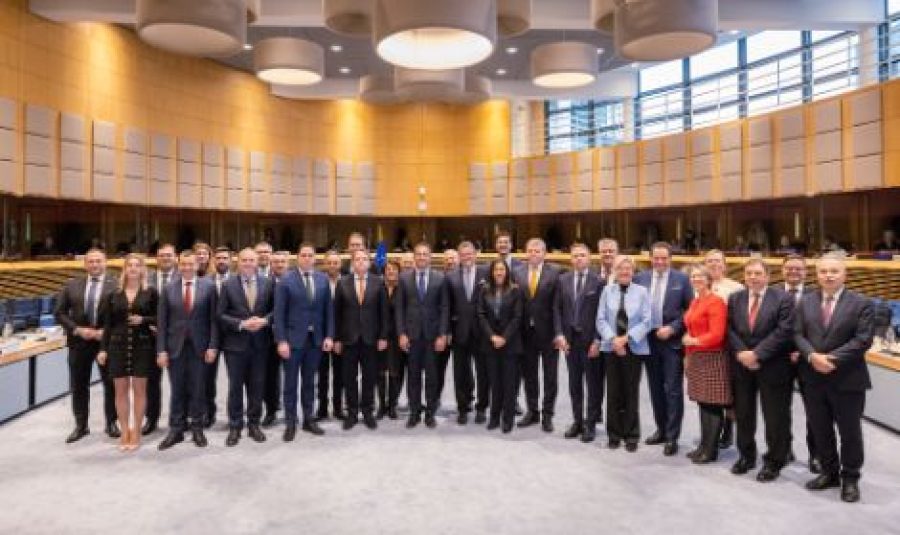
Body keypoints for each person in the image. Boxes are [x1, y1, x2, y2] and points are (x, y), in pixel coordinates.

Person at [794, 253, 873, 503]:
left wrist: (829, 359)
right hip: (813, 378)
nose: (828, 275)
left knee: (849, 432)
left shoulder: (861, 303)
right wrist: (811, 356)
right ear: (816, 274)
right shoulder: (805, 302)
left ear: (844, 274)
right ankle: (829, 473)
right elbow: (796, 334)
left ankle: (850, 478)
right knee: (820, 429)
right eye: (823, 271)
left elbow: (862, 340)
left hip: (847, 379)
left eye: (833, 271)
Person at [727, 259, 795, 481]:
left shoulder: (784, 298)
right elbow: (729, 329)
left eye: (757, 273)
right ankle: (746, 456)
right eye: (749, 273)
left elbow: (784, 331)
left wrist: (757, 354)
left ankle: (774, 461)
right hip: (742, 366)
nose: (753, 277)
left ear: (767, 275)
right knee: (744, 414)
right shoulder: (735, 298)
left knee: (775, 417)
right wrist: (743, 354)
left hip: (773, 366)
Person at [634, 242, 693, 456]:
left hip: (671, 342)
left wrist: (674, 327)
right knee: (655, 388)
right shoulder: (640, 278)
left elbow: (690, 310)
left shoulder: (682, 280)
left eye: (664, 258)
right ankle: (661, 429)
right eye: (656, 258)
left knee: (673, 390)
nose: (660, 262)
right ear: (650, 258)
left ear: (670, 259)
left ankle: (672, 436)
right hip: (648, 341)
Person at [157, 250, 219, 450]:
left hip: (200, 347)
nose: (187, 267)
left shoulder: (209, 287)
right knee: (177, 389)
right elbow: (162, 321)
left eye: (190, 264)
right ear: (178, 264)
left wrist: (212, 345)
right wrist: (161, 350)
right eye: (183, 264)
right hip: (175, 347)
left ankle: (197, 428)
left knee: (198, 388)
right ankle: (176, 429)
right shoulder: (168, 289)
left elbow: (213, 321)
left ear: (197, 265)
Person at [55, 248, 119, 443]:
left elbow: (122, 315)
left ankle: (111, 423)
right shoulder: (71, 285)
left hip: (105, 344)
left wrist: (106, 332)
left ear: (105, 263)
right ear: (85, 264)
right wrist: (77, 330)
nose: (94, 265)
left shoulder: (116, 285)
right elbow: (59, 312)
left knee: (111, 385)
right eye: (91, 261)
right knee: (78, 385)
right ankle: (81, 426)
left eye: (98, 261)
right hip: (78, 343)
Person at [96, 254, 157, 451]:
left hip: (143, 346)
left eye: (137, 265)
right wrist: (103, 349)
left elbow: (160, 317)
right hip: (117, 346)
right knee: (120, 391)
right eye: (129, 265)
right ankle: (124, 431)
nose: (132, 268)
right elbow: (107, 325)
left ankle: (137, 431)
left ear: (142, 270)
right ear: (124, 269)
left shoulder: (151, 293)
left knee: (139, 390)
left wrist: (144, 320)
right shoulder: (113, 295)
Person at [274, 243, 334, 441]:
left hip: (315, 341)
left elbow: (328, 312)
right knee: (290, 383)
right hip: (292, 341)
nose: (307, 258)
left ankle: (309, 418)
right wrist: (281, 340)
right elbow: (279, 314)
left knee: (310, 382)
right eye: (304, 255)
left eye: (311, 255)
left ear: (315, 258)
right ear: (297, 257)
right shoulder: (286, 280)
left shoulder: (323, 279)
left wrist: (329, 336)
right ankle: (291, 422)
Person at [217, 248, 275, 447]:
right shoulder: (227, 285)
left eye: (252, 260)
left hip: (260, 345)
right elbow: (221, 315)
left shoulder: (268, 283)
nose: (248, 263)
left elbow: (276, 311)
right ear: (238, 262)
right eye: (244, 260)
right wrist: (241, 324)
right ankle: (235, 426)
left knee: (257, 386)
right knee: (235, 388)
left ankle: (253, 424)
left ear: (257, 262)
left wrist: (265, 321)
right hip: (235, 345)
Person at [595, 255, 651, 452]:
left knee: (631, 391)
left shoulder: (642, 292)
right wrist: (613, 339)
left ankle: (631, 434)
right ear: (615, 272)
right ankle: (614, 434)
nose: (624, 272)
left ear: (633, 272)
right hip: (611, 348)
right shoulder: (606, 291)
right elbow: (600, 320)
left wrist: (625, 339)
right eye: (620, 269)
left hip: (633, 348)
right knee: (613, 392)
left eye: (628, 269)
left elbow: (647, 321)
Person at [396, 242, 449, 429]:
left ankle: (430, 413)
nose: (421, 257)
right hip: (412, 337)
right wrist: (401, 333)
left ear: (430, 257)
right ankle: (414, 412)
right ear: (414, 257)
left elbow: (444, 308)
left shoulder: (440, 278)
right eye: (418, 254)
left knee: (432, 377)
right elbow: (399, 309)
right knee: (413, 376)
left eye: (425, 254)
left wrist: (442, 334)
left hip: (432, 337)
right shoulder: (403, 278)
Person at [333, 249, 389, 430]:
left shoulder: (378, 283)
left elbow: (384, 313)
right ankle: (351, 412)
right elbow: (337, 314)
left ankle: (367, 411)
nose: (361, 262)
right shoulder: (342, 283)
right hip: (348, 339)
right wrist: (337, 339)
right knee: (349, 378)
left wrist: (383, 336)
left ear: (369, 262)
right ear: (352, 262)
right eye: (358, 259)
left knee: (369, 377)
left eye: (365, 259)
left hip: (371, 339)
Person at [553, 243, 603, 442]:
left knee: (592, 385)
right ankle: (577, 421)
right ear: (570, 259)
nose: (579, 259)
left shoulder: (598, 282)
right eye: (575, 256)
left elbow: (602, 313)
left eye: (582, 255)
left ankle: (590, 424)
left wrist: (598, 340)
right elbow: (556, 309)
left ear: (589, 258)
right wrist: (559, 334)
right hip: (569, 342)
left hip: (589, 341)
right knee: (574, 384)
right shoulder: (562, 280)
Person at [682, 264, 730, 464]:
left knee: (712, 406)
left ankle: (711, 451)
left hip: (712, 357)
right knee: (703, 404)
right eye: (693, 276)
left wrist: (694, 341)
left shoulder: (716, 302)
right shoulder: (695, 301)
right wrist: (687, 353)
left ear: (709, 279)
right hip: (696, 357)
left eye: (701, 276)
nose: (697, 279)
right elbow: (691, 328)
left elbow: (717, 334)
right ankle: (703, 445)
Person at [514, 237, 561, 432]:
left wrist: (559, 332)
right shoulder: (517, 273)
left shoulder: (556, 273)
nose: (533, 254)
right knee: (529, 375)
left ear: (544, 253)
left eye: (537, 251)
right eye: (530, 251)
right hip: (525, 333)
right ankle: (532, 411)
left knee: (550, 376)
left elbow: (557, 306)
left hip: (549, 333)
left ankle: (548, 414)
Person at [780, 254, 820, 473]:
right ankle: (784, 449)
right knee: (780, 409)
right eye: (789, 269)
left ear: (806, 272)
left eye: (798, 269)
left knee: (814, 410)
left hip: (808, 360)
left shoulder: (816, 295)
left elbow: (821, 328)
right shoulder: (774, 293)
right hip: (779, 361)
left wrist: (802, 351)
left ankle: (816, 455)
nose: (793, 272)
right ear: (783, 270)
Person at [478, 259, 524, 433]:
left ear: (507, 272)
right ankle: (494, 417)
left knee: (509, 383)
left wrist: (504, 337)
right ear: (492, 272)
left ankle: (508, 418)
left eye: (502, 269)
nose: (499, 272)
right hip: (490, 344)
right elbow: (480, 314)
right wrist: (492, 336)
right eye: (496, 269)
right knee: (494, 382)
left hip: (510, 344)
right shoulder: (484, 290)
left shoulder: (515, 291)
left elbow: (517, 317)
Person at [704, 249, 744, 449]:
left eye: (717, 261)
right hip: (704, 350)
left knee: (729, 392)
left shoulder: (735, 287)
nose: (713, 264)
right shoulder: (698, 286)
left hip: (728, 347)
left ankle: (728, 428)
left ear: (725, 264)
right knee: (709, 392)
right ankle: (712, 430)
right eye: (709, 261)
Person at [446, 241, 489, 424]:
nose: (467, 257)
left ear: (475, 255)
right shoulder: (451, 277)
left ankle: (481, 408)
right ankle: (462, 408)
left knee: (483, 373)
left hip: (482, 332)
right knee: (460, 373)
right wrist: (447, 330)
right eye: (463, 255)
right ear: (459, 256)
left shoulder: (486, 274)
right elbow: (446, 307)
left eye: (470, 254)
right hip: (459, 332)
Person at [144, 243, 177, 435]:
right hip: (150, 338)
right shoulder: (145, 279)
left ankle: (179, 419)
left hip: (176, 338)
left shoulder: (184, 278)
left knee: (179, 382)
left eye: (169, 255)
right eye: (162, 255)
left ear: (175, 258)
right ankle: (152, 419)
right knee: (151, 382)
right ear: (157, 258)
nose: (165, 258)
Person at [203, 246, 231, 428]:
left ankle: (233, 415)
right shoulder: (205, 282)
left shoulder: (238, 280)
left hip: (233, 336)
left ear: (231, 260)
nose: (221, 261)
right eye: (218, 258)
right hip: (209, 336)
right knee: (207, 378)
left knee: (235, 378)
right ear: (214, 260)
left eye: (225, 258)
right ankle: (209, 412)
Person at [262, 250, 290, 426]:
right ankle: (271, 410)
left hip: (292, 337)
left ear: (288, 264)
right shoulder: (264, 284)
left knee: (292, 376)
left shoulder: (295, 282)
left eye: (282, 262)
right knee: (269, 377)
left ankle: (290, 411)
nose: (279, 264)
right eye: (276, 262)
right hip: (269, 338)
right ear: (271, 265)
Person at [316, 250, 345, 421]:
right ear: (325, 264)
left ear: (340, 264)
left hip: (341, 336)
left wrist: (338, 337)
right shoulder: (318, 281)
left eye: (336, 263)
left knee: (339, 375)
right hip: (321, 336)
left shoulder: (347, 281)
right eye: (330, 262)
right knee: (322, 375)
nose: (333, 265)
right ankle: (322, 408)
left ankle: (338, 407)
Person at [381, 260, 405, 419]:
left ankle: (392, 405)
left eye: (394, 269)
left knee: (395, 372)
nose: (391, 271)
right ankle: (381, 406)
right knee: (380, 372)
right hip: (380, 337)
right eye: (388, 269)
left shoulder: (403, 289)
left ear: (399, 272)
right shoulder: (378, 289)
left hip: (398, 337)